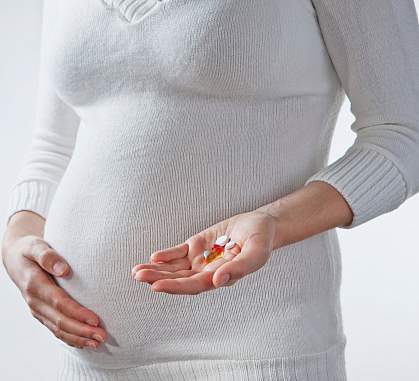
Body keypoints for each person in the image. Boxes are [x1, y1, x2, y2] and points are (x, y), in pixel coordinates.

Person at [2, 0, 419, 380]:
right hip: (90, 355)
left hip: (255, 350)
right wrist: (17, 239)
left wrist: (272, 222)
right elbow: (55, 145)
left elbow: (404, 135)